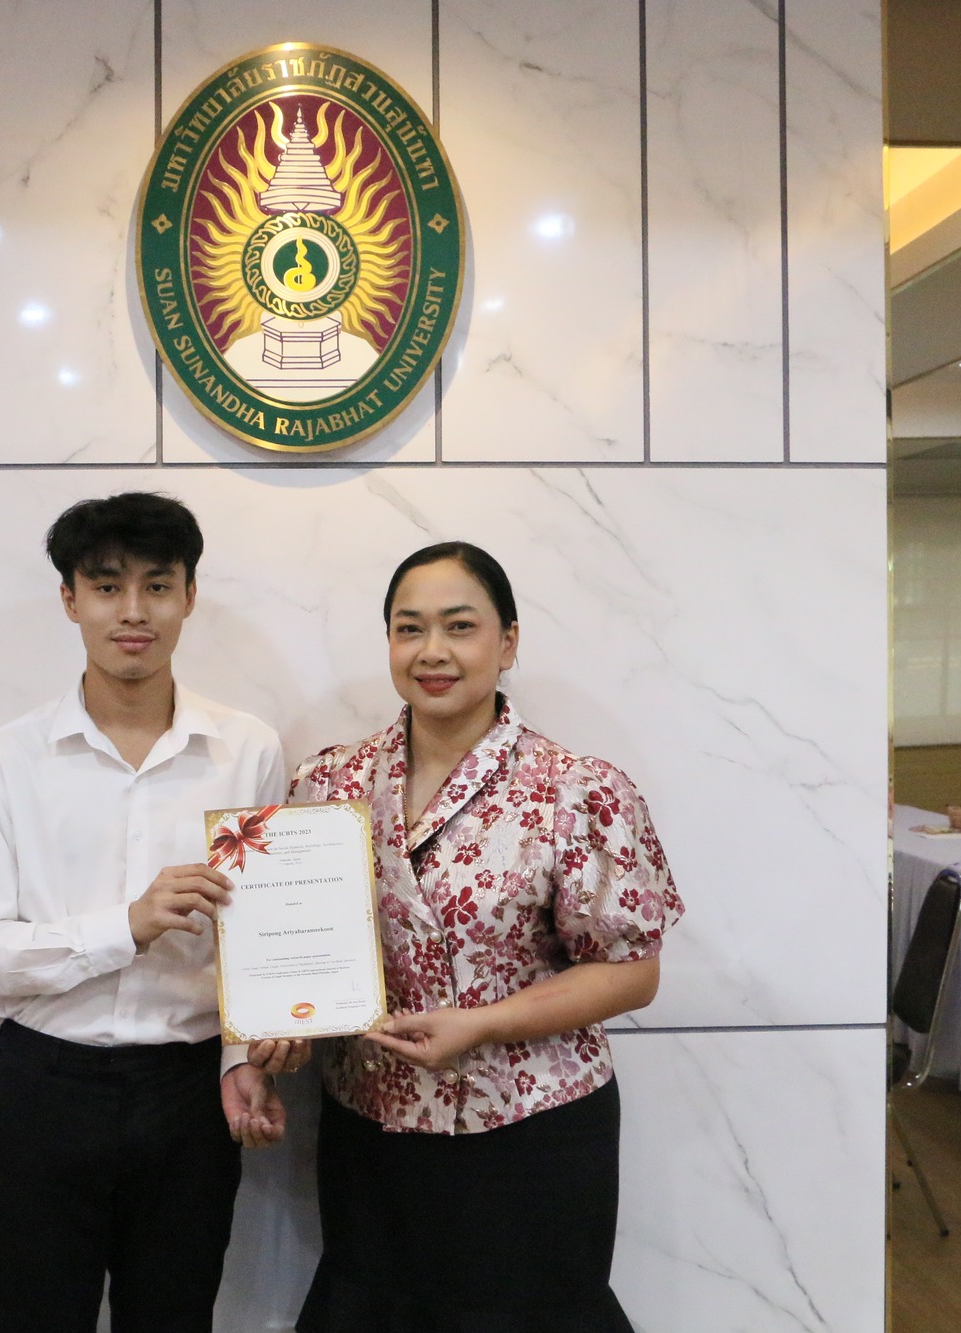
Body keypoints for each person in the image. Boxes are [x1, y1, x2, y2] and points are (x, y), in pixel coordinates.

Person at [290, 541, 685, 1333]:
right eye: (409, 628)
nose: (431, 651)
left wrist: (481, 1023)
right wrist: (276, 1027)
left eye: (459, 626)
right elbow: (297, 942)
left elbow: (631, 971)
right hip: (372, 1124)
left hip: (531, 1132)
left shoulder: (578, 788)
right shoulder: (327, 782)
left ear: (507, 642)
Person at [0, 492, 304, 1333]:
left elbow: (260, 937)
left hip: (188, 1094)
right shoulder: (5, 760)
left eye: (157, 585)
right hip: (44, 1086)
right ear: (70, 600)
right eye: (107, 586)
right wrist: (127, 925)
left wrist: (247, 1055)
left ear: (189, 595)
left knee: (175, 1319)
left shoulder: (247, 749)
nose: (134, 611)